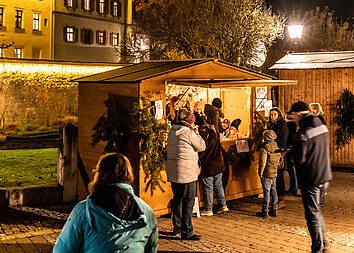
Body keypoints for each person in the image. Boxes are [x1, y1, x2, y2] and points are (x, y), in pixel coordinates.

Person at [53, 152, 158, 253]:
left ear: (99, 174)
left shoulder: (84, 210)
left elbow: (63, 249)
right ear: (129, 174)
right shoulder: (147, 212)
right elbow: (150, 249)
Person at [287, 101, 332, 253]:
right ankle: (323, 244)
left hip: (311, 178)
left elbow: (299, 159)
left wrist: (292, 148)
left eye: (292, 115)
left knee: (312, 215)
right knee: (317, 211)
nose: (292, 118)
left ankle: (318, 249)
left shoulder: (304, 131)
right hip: (324, 174)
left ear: (298, 114)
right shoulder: (320, 122)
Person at [166, 107, 206, 241]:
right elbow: (201, 146)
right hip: (187, 172)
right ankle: (187, 231)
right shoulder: (188, 132)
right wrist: (197, 133)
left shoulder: (172, 131)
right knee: (188, 202)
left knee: (177, 199)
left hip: (174, 171)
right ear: (188, 120)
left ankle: (177, 227)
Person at [198, 110, 229, 217]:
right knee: (218, 185)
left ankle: (208, 208)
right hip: (218, 164)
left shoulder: (203, 134)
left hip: (209, 165)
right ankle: (223, 205)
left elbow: (201, 149)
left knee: (208, 187)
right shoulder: (214, 132)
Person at [257, 129, 282, 218]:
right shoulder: (277, 147)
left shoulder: (264, 149)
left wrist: (260, 173)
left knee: (266, 192)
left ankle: (265, 210)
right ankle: (274, 209)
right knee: (274, 191)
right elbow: (279, 161)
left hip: (267, 174)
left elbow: (262, 163)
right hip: (274, 173)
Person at [267, 107, 289, 206]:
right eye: (271, 114)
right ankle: (274, 197)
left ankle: (281, 198)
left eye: (274, 114)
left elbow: (283, 141)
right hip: (270, 152)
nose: (272, 116)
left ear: (278, 115)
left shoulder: (283, 125)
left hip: (278, 152)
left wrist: (280, 152)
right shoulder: (270, 124)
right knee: (272, 176)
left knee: (279, 176)